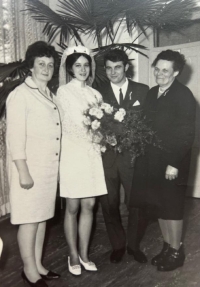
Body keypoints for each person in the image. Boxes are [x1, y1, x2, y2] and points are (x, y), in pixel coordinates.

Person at [130, 49, 196, 271]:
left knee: (173, 207)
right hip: (152, 161)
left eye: (165, 70)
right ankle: (168, 247)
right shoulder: (152, 93)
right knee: (160, 205)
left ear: (175, 72)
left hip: (172, 162)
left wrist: (174, 163)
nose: (160, 74)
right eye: (157, 69)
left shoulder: (183, 95)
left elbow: (187, 134)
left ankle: (177, 251)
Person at [6, 41, 61, 287]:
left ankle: (38, 264)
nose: (46, 68)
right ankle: (28, 270)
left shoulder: (50, 94)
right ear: (31, 66)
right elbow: (14, 138)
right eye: (41, 64)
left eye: (50, 64)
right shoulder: (20, 94)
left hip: (47, 169)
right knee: (29, 220)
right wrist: (23, 172)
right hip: (28, 169)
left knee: (41, 219)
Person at [56, 46, 107, 276]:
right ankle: (73, 254)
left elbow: (102, 124)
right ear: (69, 68)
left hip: (92, 154)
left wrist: (104, 134)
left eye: (86, 65)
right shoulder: (63, 92)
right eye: (78, 65)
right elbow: (74, 124)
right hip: (72, 153)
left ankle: (85, 254)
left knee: (89, 205)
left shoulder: (96, 95)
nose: (83, 69)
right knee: (73, 206)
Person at [96, 49, 149, 264]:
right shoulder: (97, 92)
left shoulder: (143, 91)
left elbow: (148, 125)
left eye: (117, 67)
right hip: (107, 158)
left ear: (126, 67)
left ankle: (134, 245)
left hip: (133, 157)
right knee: (109, 203)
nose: (112, 72)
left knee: (135, 202)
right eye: (108, 68)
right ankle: (118, 244)